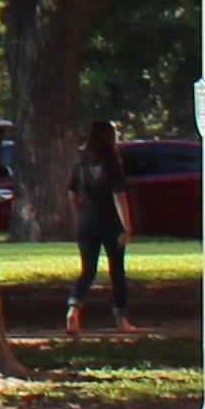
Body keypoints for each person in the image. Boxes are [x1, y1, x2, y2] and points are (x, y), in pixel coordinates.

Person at [68, 119, 131, 331]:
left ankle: (74, 308)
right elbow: (119, 197)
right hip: (110, 223)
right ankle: (120, 320)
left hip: (86, 222)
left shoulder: (81, 162)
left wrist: (80, 212)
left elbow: (72, 192)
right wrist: (127, 226)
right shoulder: (112, 162)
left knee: (88, 270)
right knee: (116, 271)